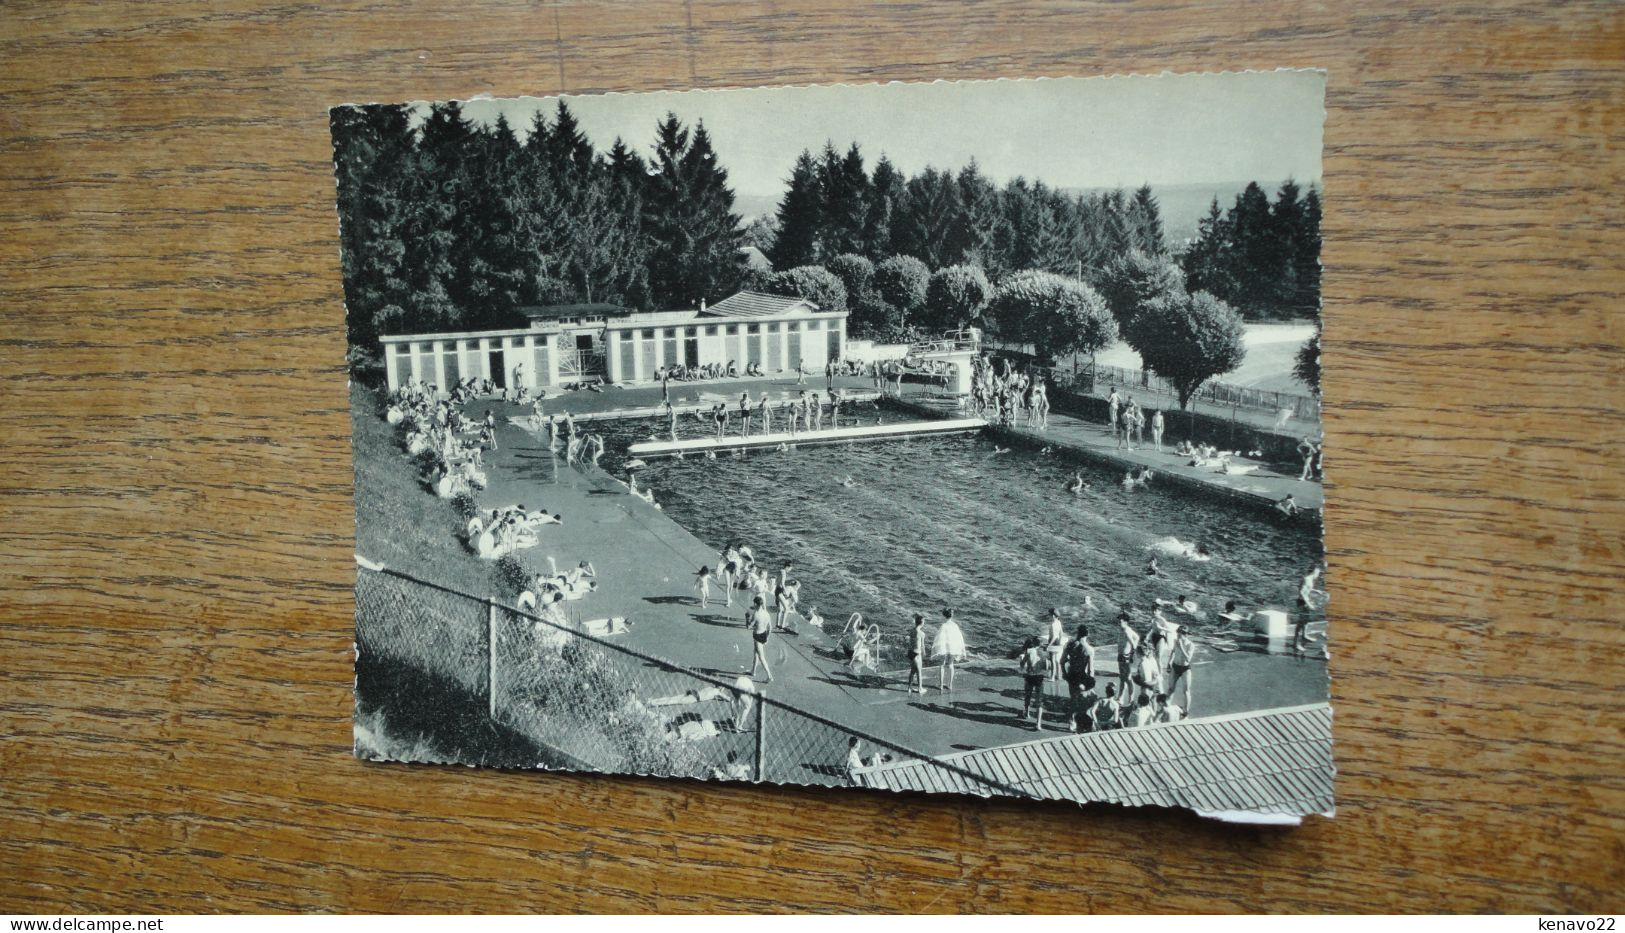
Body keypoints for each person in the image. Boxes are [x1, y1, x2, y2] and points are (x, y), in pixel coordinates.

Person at [1060, 625, 1095, 731]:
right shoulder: (1089, 649)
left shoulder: (1070, 645)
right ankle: (1084, 720)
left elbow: (1062, 661)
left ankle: (1071, 721)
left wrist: (1064, 673)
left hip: (1071, 675)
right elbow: (1090, 669)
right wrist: (1091, 682)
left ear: (1078, 633)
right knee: (1086, 699)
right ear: (1087, 634)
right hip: (1082, 676)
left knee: (1073, 698)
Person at [932, 608, 966, 693]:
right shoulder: (955, 625)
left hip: (945, 647)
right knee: (951, 665)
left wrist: (937, 648)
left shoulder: (943, 626)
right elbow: (959, 638)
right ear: (952, 615)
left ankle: (941, 685)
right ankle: (950, 684)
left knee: (942, 665)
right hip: (953, 647)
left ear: (944, 615)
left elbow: (939, 638)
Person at [1018, 636, 1049, 730]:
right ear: (1040, 644)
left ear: (1033, 643)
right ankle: (1038, 724)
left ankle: (1026, 713)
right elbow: (1047, 667)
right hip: (1039, 677)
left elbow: (1022, 664)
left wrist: (1022, 663)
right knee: (1039, 700)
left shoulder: (1029, 651)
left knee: (1028, 695)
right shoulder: (1045, 653)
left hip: (1030, 675)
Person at [1167, 628, 1196, 713]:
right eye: (1177, 635)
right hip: (1175, 666)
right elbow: (1173, 652)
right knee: (1170, 689)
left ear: (1185, 635)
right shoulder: (1176, 641)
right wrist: (1169, 662)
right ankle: (1166, 707)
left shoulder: (1190, 645)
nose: (1178, 637)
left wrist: (1181, 647)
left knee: (1186, 691)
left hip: (1185, 668)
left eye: (1179, 635)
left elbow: (1188, 659)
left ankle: (1186, 711)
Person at [747, 596, 773, 683]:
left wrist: (747, 618)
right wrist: (767, 638)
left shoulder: (756, 615)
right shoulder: (766, 613)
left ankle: (769, 676)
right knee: (756, 654)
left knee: (761, 657)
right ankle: (753, 671)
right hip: (764, 634)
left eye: (754, 604)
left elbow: (748, 627)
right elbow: (770, 627)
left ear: (756, 604)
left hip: (757, 636)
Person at [906, 613, 927, 695]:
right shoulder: (922, 633)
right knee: (919, 672)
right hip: (917, 654)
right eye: (924, 621)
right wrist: (924, 654)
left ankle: (909, 688)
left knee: (912, 671)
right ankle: (920, 688)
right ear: (921, 623)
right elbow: (922, 646)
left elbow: (911, 642)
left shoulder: (911, 631)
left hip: (910, 652)